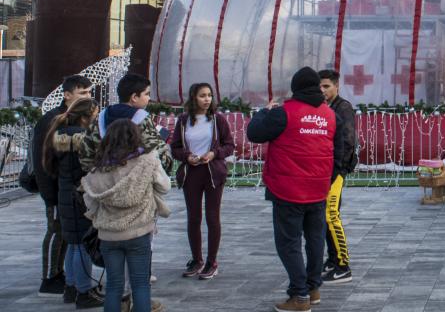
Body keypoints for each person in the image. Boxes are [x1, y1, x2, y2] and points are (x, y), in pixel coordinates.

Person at [247, 67, 336, 312]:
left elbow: (254, 134)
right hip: (318, 188)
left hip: (288, 190)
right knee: (315, 240)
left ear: (295, 88)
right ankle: (313, 288)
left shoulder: (284, 113)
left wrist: (263, 113)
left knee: (289, 243)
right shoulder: (329, 114)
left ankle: (299, 295)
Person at [82, 119, 170, 312]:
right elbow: (165, 186)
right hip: (139, 230)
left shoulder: (99, 168)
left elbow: (90, 200)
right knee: (140, 284)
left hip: (108, 234)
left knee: (114, 285)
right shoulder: (147, 161)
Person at [32, 74, 92, 299]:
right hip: (57, 190)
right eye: (82, 93)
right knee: (57, 231)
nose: (87, 97)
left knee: (70, 235)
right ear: (67, 95)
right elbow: (42, 161)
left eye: (88, 92)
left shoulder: (75, 121)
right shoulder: (52, 120)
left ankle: (66, 277)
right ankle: (50, 277)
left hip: (72, 191)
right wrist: (49, 195)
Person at [169, 82, 235, 280]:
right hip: (192, 173)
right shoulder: (183, 120)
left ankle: (211, 261)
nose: (207, 99)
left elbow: (229, 145)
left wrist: (214, 153)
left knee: (212, 217)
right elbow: (175, 147)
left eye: (209, 95)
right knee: (193, 217)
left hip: (213, 173)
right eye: (202, 96)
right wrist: (186, 156)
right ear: (193, 98)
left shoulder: (218, 120)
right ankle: (196, 259)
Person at [44, 97, 104, 308]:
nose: (97, 119)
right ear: (86, 117)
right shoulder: (84, 139)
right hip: (80, 195)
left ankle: (71, 287)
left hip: (64, 194)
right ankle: (84, 291)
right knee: (82, 245)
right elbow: (89, 167)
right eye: (95, 115)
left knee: (73, 243)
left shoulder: (57, 135)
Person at [80, 73, 170, 175]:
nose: (149, 98)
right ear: (134, 97)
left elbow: (86, 157)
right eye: (147, 94)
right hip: (134, 182)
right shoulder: (142, 119)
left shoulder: (100, 117)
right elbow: (160, 157)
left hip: (103, 182)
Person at [317, 69, 357, 285]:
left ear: (336, 86)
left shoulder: (343, 108)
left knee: (331, 214)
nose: (322, 91)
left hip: (336, 171)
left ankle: (343, 266)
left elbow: (348, 142)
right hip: (324, 171)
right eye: (320, 87)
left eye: (326, 86)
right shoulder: (322, 108)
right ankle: (333, 259)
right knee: (325, 216)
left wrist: (337, 171)